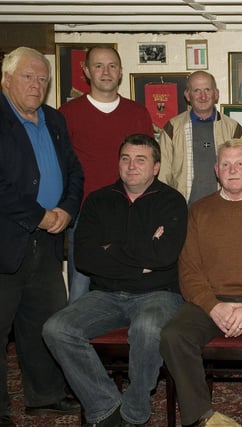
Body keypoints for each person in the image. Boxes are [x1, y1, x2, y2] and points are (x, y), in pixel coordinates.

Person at [42, 134, 187, 427]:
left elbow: (164, 257)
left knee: (147, 328)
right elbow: (85, 258)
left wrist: (111, 251)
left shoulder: (172, 201)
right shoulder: (98, 200)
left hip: (158, 293)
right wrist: (140, 262)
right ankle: (107, 409)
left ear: (156, 167)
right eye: (125, 158)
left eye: (140, 159)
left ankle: (133, 413)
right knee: (56, 329)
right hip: (105, 294)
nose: (131, 166)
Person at [160, 138, 242, 427]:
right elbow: (189, 270)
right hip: (210, 299)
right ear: (216, 170)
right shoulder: (199, 211)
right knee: (174, 336)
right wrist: (213, 306)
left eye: (240, 164)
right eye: (226, 164)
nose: (233, 170)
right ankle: (202, 417)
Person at [0, 46, 83, 427]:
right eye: (28, 77)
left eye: (43, 78)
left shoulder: (53, 119)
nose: (37, 84)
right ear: (6, 78)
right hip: (8, 241)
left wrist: (65, 210)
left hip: (48, 243)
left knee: (44, 324)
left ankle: (44, 396)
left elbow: (74, 171)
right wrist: (40, 215)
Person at [60, 45, 154, 302]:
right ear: (86, 71)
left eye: (112, 65)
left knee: (132, 288)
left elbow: (150, 163)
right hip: (83, 215)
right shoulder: (67, 114)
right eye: (99, 65)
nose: (106, 71)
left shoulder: (137, 113)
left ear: (121, 71)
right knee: (79, 289)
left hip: (131, 213)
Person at [158, 71, 242, 204]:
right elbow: (162, 177)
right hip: (184, 210)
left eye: (207, 90)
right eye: (196, 90)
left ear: (216, 94)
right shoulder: (172, 129)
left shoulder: (234, 130)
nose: (203, 96)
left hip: (225, 209)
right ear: (187, 95)